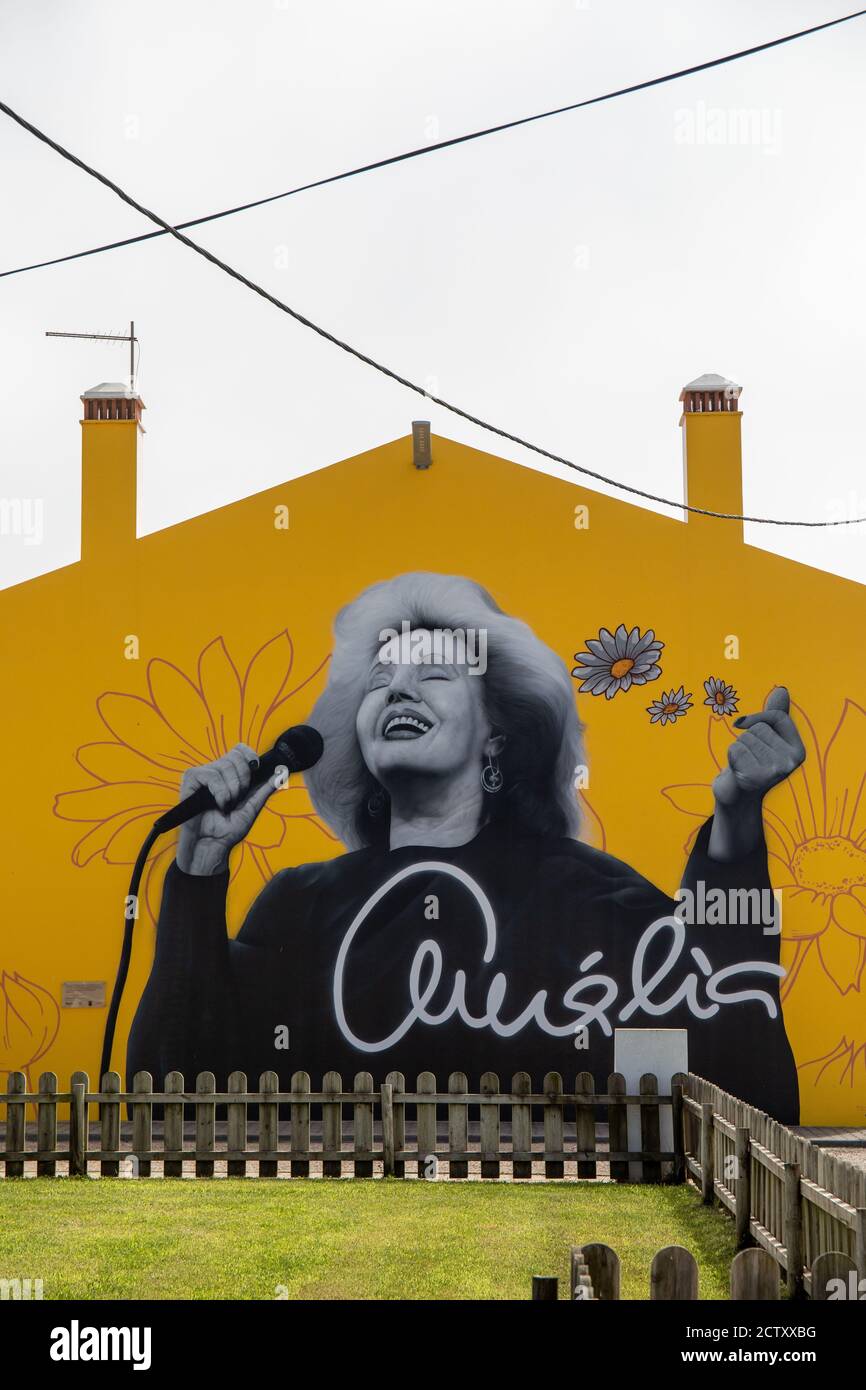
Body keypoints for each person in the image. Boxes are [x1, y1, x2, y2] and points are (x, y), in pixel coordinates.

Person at [127, 572, 803, 1120]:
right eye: (381, 680)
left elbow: (732, 1038)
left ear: (497, 736)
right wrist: (198, 870)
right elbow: (171, 1088)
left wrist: (737, 818)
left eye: (437, 675)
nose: (399, 686)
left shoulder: (585, 894)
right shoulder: (300, 904)